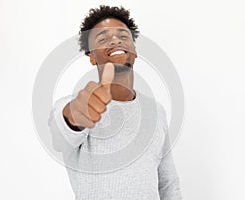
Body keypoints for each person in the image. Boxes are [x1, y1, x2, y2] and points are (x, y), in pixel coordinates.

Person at [48, 5, 182, 200]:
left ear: (134, 51)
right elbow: (60, 132)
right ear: (92, 57)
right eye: (102, 38)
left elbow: (168, 183)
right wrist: (75, 113)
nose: (115, 40)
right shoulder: (82, 105)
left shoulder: (156, 112)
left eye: (123, 36)